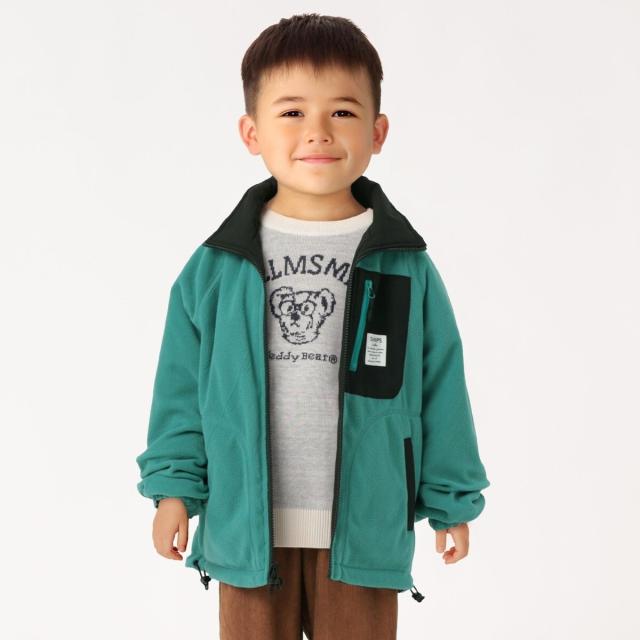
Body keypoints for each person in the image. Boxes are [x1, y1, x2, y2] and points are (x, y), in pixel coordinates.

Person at [135, 12, 490, 640]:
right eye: (292, 112)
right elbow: (181, 391)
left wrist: (451, 501)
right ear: (252, 132)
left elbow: (441, 382)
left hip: (367, 529)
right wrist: (174, 492)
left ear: (378, 131)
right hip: (247, 529)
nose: (318, 132)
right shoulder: (217, 265)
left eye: (343, 112)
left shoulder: (404, 264)